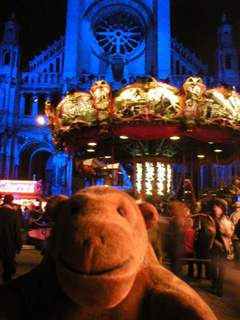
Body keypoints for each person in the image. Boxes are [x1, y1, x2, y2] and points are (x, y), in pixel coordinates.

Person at [205, 199, 234, 297]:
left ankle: (219, 290)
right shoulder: (210, 219)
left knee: (222, 269)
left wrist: (226, 230)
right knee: (213, 267)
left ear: (222, 209)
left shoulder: (225, 219)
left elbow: (230, 233)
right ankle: (214, 284)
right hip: (214, 246)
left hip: (223, 247)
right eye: (215, 207)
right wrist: (210, 230)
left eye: (218, 207)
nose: (216, 209)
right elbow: (207, 232)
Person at [0, 195, 22, 282]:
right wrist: (18, 245)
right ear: (11, 202)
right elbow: (17, 232)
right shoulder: (14, 214)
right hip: (9, 245)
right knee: (7, 271)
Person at [230, 201, 240, 267]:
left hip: (235, 236)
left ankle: (237, 264)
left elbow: (232, 226)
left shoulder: (234, 214)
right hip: (238, 235)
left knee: (237, 251)